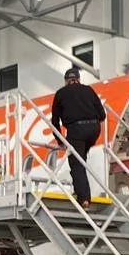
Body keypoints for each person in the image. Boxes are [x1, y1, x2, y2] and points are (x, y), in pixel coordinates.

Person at [49, 67, 106, 207]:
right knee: (81, 158)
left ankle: (84, 198)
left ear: (66, 81)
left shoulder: (61, 93)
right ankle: (79, 189)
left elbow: (54, 121)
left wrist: (60, 140)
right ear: (79, 79)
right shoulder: (88, 90)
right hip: (94, 129)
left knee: (76, 163)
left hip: (76, 129)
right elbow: (102, 115)